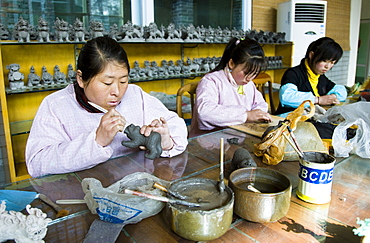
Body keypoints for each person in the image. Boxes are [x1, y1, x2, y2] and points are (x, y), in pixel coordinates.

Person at [26, 36, 188, 177]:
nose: (117, 91)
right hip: (85, 193)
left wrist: (165, 140)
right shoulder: (56, 105)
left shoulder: (135, 94)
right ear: (81, 79)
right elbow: (37, 163)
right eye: (107, 83)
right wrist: (97, 140)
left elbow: (175, 125)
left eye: (123, 81)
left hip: (136, 186)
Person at [189, 37, 272, 138]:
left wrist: (258, 115)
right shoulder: (212, 81)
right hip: (208, 141)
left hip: (236, 138)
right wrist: (246, 115)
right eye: (246, 73)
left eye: (254, 74)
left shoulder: (248, 84)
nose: (250, 78)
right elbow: (205, 113)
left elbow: (260, 104)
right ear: (232, 64)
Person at [274, 37, 347, 116]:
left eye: (332, 62)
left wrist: (333, 97)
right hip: (288, 119)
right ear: (311, 55)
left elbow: (340, 90)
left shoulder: (318, 76)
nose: (328, 66)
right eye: (325, 61)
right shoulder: (293, 73)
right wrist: (317, 100)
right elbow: (286, 97)